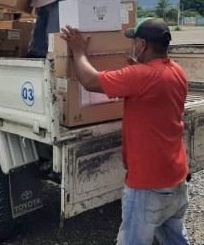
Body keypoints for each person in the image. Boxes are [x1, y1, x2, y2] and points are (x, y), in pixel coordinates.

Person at [60, 18, 191, 245]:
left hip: (148, 184)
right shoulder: (177, 71)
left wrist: (78, 51)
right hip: (176, 177)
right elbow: (153, 84)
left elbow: (90, 81)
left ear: (142, 45)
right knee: (175, 239)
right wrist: (139, 70)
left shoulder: (140, 77)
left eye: (135, 42)